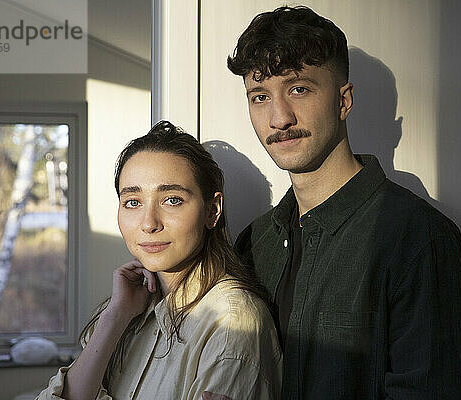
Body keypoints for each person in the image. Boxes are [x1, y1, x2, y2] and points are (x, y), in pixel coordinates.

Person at [220, 5, 461, 399]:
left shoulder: (420, 240)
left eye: (298, 88)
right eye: (259, 96)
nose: (279, 118)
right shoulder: (253, 243)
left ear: (343, 101)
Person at [36, 121, 282, 400]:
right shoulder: (129, 311)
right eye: (132, 202)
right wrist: (115, 316)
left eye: (172, 200)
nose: (149, 224)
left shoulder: (233, 323)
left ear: (212, 211)